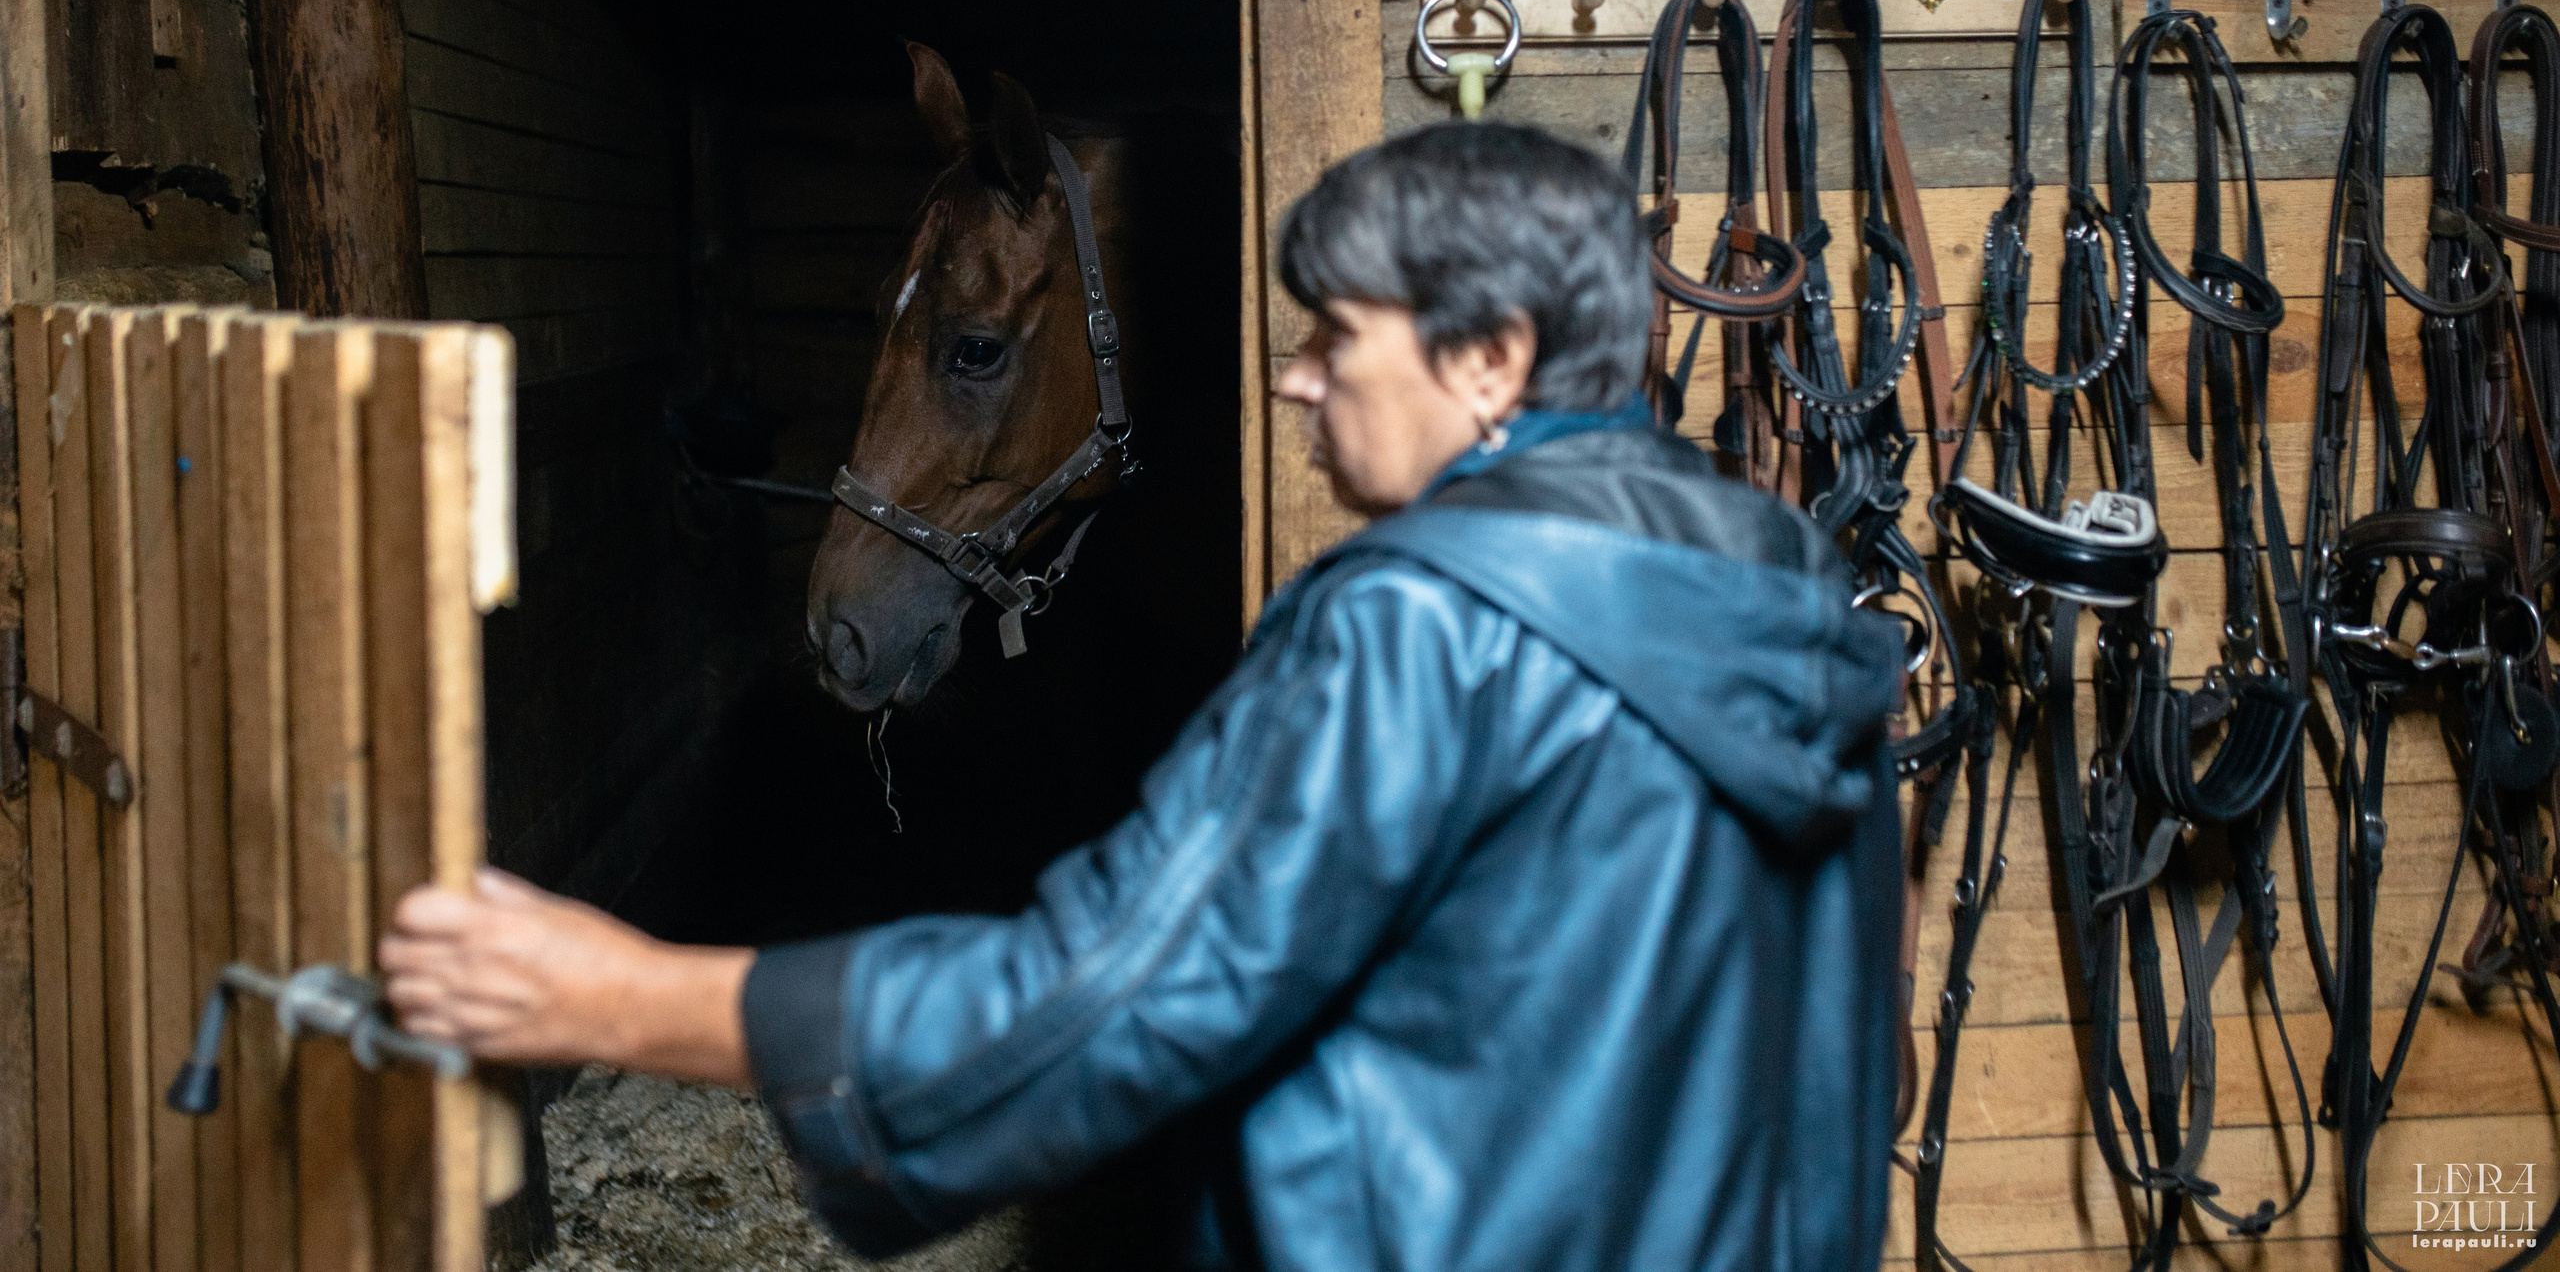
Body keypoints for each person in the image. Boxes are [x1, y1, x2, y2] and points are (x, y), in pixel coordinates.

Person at [381, 121, 1907, 1271]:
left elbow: (1102, 1004)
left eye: (1337, 337)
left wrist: (625, 997)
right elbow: (1844, 1070)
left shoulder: (1414, 625)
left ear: (1494, 359)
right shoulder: (1778, 587)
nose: (1295, 378)